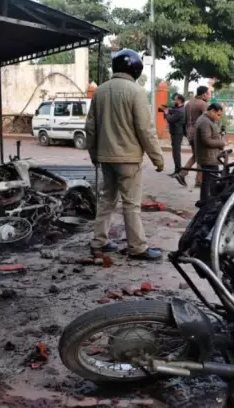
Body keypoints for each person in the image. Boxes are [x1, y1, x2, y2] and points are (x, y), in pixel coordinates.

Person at [84, 49, 165, 261]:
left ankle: (99, 242)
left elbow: (90, 128)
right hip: (128, 159)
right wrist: (158, 158)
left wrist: (94, 154)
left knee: (106, 200)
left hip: (105, 158)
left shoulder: (100, 91)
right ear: (136, 69)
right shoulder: (136, 92)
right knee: (131, 204)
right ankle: (137, 247)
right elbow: (145, 129)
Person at [175, 86, 210, 187]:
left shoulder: (188, 104)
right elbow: (206, 121)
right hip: (199, 133)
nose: (209, 95)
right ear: (204, 94)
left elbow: (184, 120)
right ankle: (197, 180)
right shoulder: (203, 104)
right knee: (201, 156)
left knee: (197, 155)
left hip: (189, 132)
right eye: (208, 93)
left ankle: (185, 175)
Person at [194, 103, 226, 203]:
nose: (218, 117)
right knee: (209, 182)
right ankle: (206, 202)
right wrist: (221, 143)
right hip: (208, 157)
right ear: (212, 111)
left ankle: (206, 201)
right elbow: (206, 141)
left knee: (208, 181)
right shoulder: (205, 122)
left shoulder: (206, 120)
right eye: (218, 115)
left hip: (209, 156)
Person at [161, 93, 186, 175]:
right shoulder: (178, 109)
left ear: (179, 100)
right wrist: (167, 110)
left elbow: (170, 119)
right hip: (175, 132)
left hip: (177, 133)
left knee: (176, 152)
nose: (173, 101)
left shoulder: (180, 111)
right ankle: (177, 169)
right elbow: (171, 112)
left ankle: (178, 171)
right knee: (175, 152)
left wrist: (166, 112)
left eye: (175, 100)